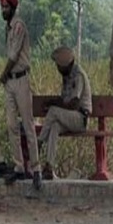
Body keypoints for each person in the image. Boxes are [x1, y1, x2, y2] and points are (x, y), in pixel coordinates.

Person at [0, 0, 40, 188]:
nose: (3, 10)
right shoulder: (8, 27)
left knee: (28, 126)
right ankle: (19, 166)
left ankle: (36, 168)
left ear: (13, 7)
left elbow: (13, 57)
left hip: (20, 79)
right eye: (2, 7)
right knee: (12, 125)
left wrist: (2, 76)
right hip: (11, 82)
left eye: (6, 7)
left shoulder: (18, 26)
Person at [38, 46, 92, 180]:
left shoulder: (78, 76)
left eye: (58, 66)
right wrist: (52, 101)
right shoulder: (67, 77)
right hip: (71, 117)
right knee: (55, 126)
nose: (57, 69)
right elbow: (64, 100)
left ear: (66, 65)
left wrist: (54, 105)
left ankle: (38, 143)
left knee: (53, 111)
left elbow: (73, 103)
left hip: (80, 118)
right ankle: (49, 167)